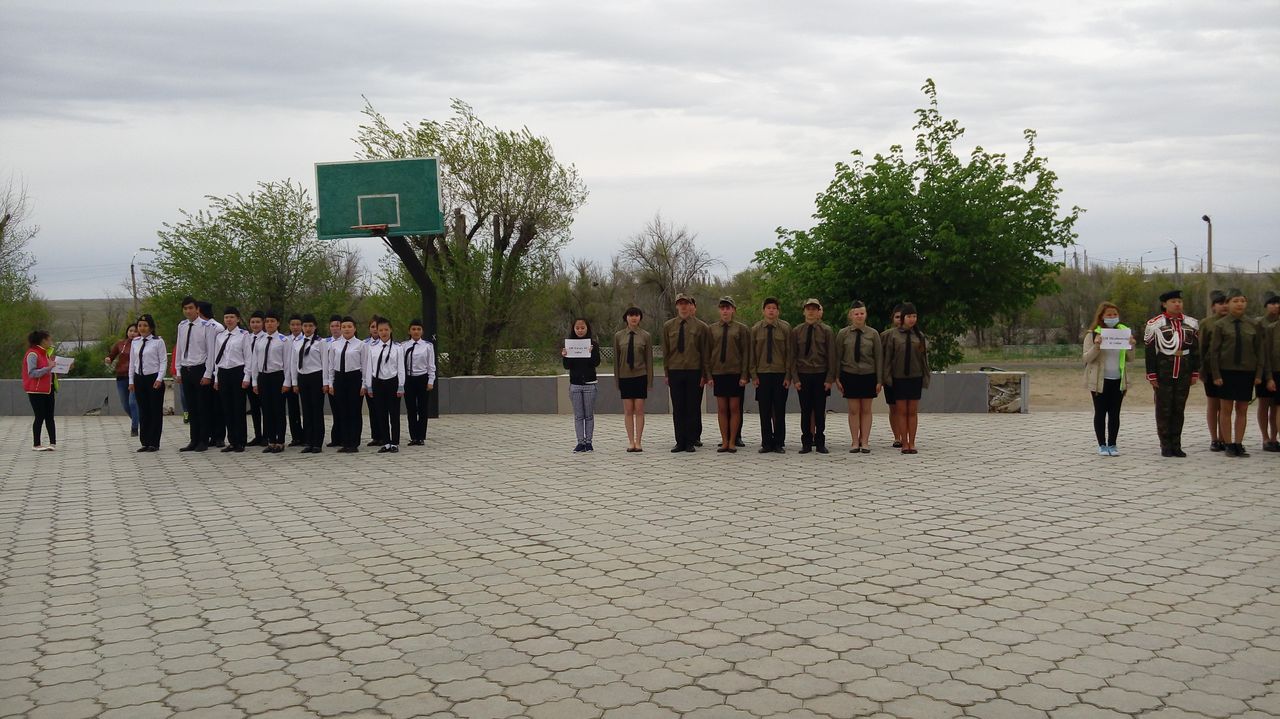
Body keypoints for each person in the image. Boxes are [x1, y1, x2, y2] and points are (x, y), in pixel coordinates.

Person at [1205, 289, 1265, 457]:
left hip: (1246, 372)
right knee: (1226, 409)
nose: (1239, 304)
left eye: (1242, 301)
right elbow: (1214, 352)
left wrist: (1259, 375)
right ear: (1229, 303)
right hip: (1226, 372)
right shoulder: (1220, 325)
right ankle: (1228, 443)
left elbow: (1259, 351)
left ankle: (1239, 443)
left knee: (1242, 409)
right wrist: (1216, 375)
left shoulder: (1253, 324)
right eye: (1235, 301)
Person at [1145, 289, 1201, 458]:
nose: (1177, 304)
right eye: (1173, 301)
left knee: (1179, 409)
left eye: (1179, 301)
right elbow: (1149, 351)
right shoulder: (1155, 323)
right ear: (1164, 304)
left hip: (1183, 370)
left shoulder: (1191, 323)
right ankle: (1165, 444)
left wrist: (1194, 372)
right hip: (1164, 370)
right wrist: (1152, 375)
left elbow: (1195, 350)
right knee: (1164, 409)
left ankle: (1177, 444)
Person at [1082, 301, 1135, 456]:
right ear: (1102, 316)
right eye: (1109, 314)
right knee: (1100, 412)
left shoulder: (1123, 332)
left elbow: (1130, 358)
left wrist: (1131, 345)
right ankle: (1102, 445)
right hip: (1099, 380)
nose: (1112, 317)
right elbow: (1086, 358)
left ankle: (1112, 444)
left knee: (1114, 413)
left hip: (1118, 379)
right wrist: (1097, 345)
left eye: (1115, 314)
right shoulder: (1092, 334)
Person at [663, 293, 710, 452]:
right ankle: (680, 441)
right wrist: (667, 373)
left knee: (692, 407)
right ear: (676, 306)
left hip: (694, 371)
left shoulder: (701, 327)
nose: (683, 307)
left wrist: (705, 374)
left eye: (686, 303)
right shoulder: (668, 326)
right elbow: (666, 351)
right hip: (675, 370)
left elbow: (705, 352)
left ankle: (691, 441)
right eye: (680, 304)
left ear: (690, 306)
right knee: (678, 407)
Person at [790, 298, 836, 454]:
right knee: (805, 410)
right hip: (803, 375)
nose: (811, 312)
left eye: (814, 309)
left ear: (818, 312)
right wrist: (795, 379)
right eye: (808, 309)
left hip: (820, 375)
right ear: (804, 311)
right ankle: (806, 442)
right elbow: (792, 357)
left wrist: (830, 379)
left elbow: (832, 356)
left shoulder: (827, 331)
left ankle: (820, 440)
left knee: (819, 409)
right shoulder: (797, 331)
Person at [882, 302, 930, 454]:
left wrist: (925, 377)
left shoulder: (919, 336)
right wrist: (887, 378)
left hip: (915, 377)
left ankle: (912, 442)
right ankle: (903, 442)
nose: (912, 319)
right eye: (909, 316)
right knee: (901, 411)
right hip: (899, 378)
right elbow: (888, 358)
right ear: (902, 318)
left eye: (914, 316)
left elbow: (924, 359)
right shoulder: (893, 335)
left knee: (913, 411)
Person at [835, 301, 883, 454]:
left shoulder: (873, 334)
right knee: (854, 410)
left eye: (862, 313)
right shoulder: (843, 333)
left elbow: (879, 358)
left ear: (865, 314)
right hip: (850, 374)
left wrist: (879, 380)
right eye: (856, 313)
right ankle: (855, 441)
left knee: (866, 409)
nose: (859, 316)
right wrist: (837, 377)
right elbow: (838, 356)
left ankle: (865, 441)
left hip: (869, 374)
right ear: (851, 315)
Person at [707, 297, 750, 453]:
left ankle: (733, 441)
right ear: (719, 310)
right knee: (722, 408)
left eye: (728, 308)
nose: (725, 311)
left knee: (734, 408)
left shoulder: (741, 329)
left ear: (733, 310)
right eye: (722, 308)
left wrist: (745, 375)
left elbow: (746, 353)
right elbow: (708, 353)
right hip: (718, 372)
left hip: (735, 373)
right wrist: (709, 375)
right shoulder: (712, 329)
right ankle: (724, 441)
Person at [174, 296, 216, 452]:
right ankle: (194, 439)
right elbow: (179, 348)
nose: (188, 311)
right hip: (186, 369)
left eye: (191, 308)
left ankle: (204, 440)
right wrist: (178, 370)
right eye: (185, 308)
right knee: (191, 407)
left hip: (200, 368)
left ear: (197, 309)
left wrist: (208, 374)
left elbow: (211, 351)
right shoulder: (182, 326)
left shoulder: (207, 326)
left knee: (202, 407)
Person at [750, 297, 791, 454]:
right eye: (768, 308)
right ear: (763, 311)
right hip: (762, 374)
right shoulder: (755, 329)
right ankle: (766, 442)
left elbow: (790, 353)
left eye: (774, 308)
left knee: (779, 410)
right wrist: (754, 375)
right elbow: (752, 355)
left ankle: (779, 442)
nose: (771, 310)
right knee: (764, 410)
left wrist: (788, 376)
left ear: (778, 311)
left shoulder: (785, 328)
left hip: (780, 374)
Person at [325, 317, 368, 453]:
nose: (346, 329)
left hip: (355, 378)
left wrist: (364, 385)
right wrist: (331, 383)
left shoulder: (361, 345)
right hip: (339, 378)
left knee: (354, 411)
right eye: (344, 327)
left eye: (349, 326)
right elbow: (331, 365)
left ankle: (354, 442)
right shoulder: (334, 345)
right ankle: (345, 441)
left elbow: (365, 366)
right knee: (342, 411)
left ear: (355, 328)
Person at [614, 307, 653, 452]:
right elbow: (616, 361)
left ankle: (639, 441)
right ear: (626, 318)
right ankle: (631, 441)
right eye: (631, 315)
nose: (634, 318)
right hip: (625, 377)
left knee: (639, 409)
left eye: (636, 315)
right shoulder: (619, 336)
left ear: (640, 318)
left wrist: (649, 381)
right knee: (628, 410)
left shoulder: (645, 336)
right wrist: (617, 380)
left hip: (640, 376)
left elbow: (649, 360)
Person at [287, 313, 327, 454]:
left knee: (316, 411)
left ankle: (317, 442)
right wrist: (294, 382)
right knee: (306, 411)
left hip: (316, 377)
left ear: (315, 327)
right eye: (305, 326)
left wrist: (325, 382)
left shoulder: (320, 342)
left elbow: (325, 363)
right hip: (302, 377)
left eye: (310, 325)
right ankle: (308, 441)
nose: (308, 328)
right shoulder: (297, 342)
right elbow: (293, 363)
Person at [212, 307, 251, 452]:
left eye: (232, 317)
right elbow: (217, 359)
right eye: (226, 317)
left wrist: (247, 376)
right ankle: (232, 441)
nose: (229, 320)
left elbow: (248, 357)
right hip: (223, 372)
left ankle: (241, 440)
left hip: (238, 372)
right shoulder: (220, 336)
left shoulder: (243, 335)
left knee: (238, 408)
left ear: (238, 319)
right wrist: (216, 378)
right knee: (227, 408)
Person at [250, 310, 289, 453]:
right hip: (263, 376)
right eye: (267, 321)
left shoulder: (284, 340)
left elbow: (287, 362)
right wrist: (254, 381)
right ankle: (270, 440)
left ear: (278, 323)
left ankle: (280, 441)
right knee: (266, 410)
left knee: (278, 409)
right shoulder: (260, 339)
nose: (269, 324)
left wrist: (287, 382)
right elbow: (254, 361)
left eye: (272, 321)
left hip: (277, 376)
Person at [366, 317, 405, 454]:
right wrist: (369, 386)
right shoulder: (372, 348)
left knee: (394, 414)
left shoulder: (398, 348)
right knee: (380, 413)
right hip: (378, 382)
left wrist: (401, 385)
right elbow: (369, 367)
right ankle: (386, 441)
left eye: (386, 330)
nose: (383, 332)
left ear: (391, 330)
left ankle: (394, 442)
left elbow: (401, 367)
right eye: (380, 330)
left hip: (392, 381)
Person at [562, 317, 602, 453]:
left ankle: (589, 442)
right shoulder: (570, 344)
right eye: (577, 328)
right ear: (573, 329)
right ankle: (580, 442)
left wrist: (591, 352)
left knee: (589, 415)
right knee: (579, 416)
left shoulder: (593, 344)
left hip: (590, 384)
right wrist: (565, 355)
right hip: (575, 384)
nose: (580, 330)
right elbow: (567, 366)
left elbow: (596, 363)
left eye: (582, 328)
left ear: (587, 328)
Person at [129, 314, 167, 452]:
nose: (142, 328)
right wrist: (131, 381)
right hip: (140, 378)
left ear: (151, 327)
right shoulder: (136, 341)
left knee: (154, 411)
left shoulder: (158, 341)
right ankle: (144, 441)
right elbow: (132, 363)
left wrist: (159, 378)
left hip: (153, 378)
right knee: (143, 410)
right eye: (140, 326)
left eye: (145, 325)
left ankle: (154, 442)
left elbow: (163, 361)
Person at [1200, 290, 1229, 451]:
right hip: (1211, 369)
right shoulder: (1207, 323)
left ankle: (1225, 437)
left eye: (1226, 303)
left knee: (1226, 406)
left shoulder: (1233, 322)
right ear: (1213, 307)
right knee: (1213, 404)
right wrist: (1202, 370)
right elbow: (1202, 347)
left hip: (1229, 370)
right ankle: (1215, 438)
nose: (1224, 306)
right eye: (1220, 303)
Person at [402, 319, 437, 447]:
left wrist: (430, 381)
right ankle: (413, 436)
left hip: (422, 378)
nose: (416, 332)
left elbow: (431, 365)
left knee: (422, 409)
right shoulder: (403, 345)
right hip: (409, 379)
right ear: (409, 331)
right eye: (413, 329)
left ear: (422, 331)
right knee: (411, 409)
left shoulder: (427, 346)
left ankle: (421, 436)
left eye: (418, 329)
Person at [198, 301, 226, 448]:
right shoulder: (200, 326)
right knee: (206, 405)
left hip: (216, 368)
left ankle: (219, 435)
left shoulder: (217, 327)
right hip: (204, 368)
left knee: (218, 405)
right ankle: (210, 434)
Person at [23, 330, 57, 451]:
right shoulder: (33, 354)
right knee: (40, 416)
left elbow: (50, 371)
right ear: (43, 341)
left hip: (48, 389)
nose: (51, 342)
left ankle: (53, 443)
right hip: (36, 390)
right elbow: (32, 373)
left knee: (49, 416)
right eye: (49, 340)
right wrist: (48, 368)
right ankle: (36, 444)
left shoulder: (45, 354)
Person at [105, 323, 140, 437]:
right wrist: (109, 359)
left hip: (134, 377)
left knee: (132, 403)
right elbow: (112, 355)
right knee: (125, 404)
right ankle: (140, 421)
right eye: (130, 330)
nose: (132, 333)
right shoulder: (120, 344)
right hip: (121, 376)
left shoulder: (140, 343)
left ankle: (134, 427)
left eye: (135, 331)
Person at [1257, 292, 1280, 452]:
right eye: (1272, 303)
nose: (1275, 306)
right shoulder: (1259, 323)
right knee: (1265, 404)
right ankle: (1265, 437)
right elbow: (1262, 350)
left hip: (1277, 370)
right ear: (1265, 305)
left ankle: (1274, 437)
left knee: (1276, 406)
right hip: (1265, 368)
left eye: (1278, 303)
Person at [882, 305, 904, 448]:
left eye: (902, 317)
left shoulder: (916, 335)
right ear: (892, 319)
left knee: (906, 409)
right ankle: (897, 437)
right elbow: (881, 357)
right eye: (897, 317)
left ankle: (907, 435)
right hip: (890, 377)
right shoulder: (885, 336)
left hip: (908, 378)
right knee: (894, 408)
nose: (900, 320)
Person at [284, 313, 305, 447]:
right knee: (292, 409)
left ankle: (307, 435)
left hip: (303, 377)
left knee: (306, 408)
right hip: (289, 378)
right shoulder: (285, 340)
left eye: (298, 324)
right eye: (293, 324)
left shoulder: (307, 339)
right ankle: (296, 436)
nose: (295, 327)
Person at [325, 314, 344, 448]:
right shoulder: (325, 342)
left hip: (343, 378)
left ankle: (345, 437)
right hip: (330, 379)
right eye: (332, 326)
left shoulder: (347, 342)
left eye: (337, 325)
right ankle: (336, 438)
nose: (335, 328)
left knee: (344, 409)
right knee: (335, 411)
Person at [1265, 305, 1280, 452]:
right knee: (1278, 408)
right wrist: (1269, 377)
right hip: (1277, 372)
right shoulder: (1272, 329)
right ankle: (1273, 438)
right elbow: (1267, 356)